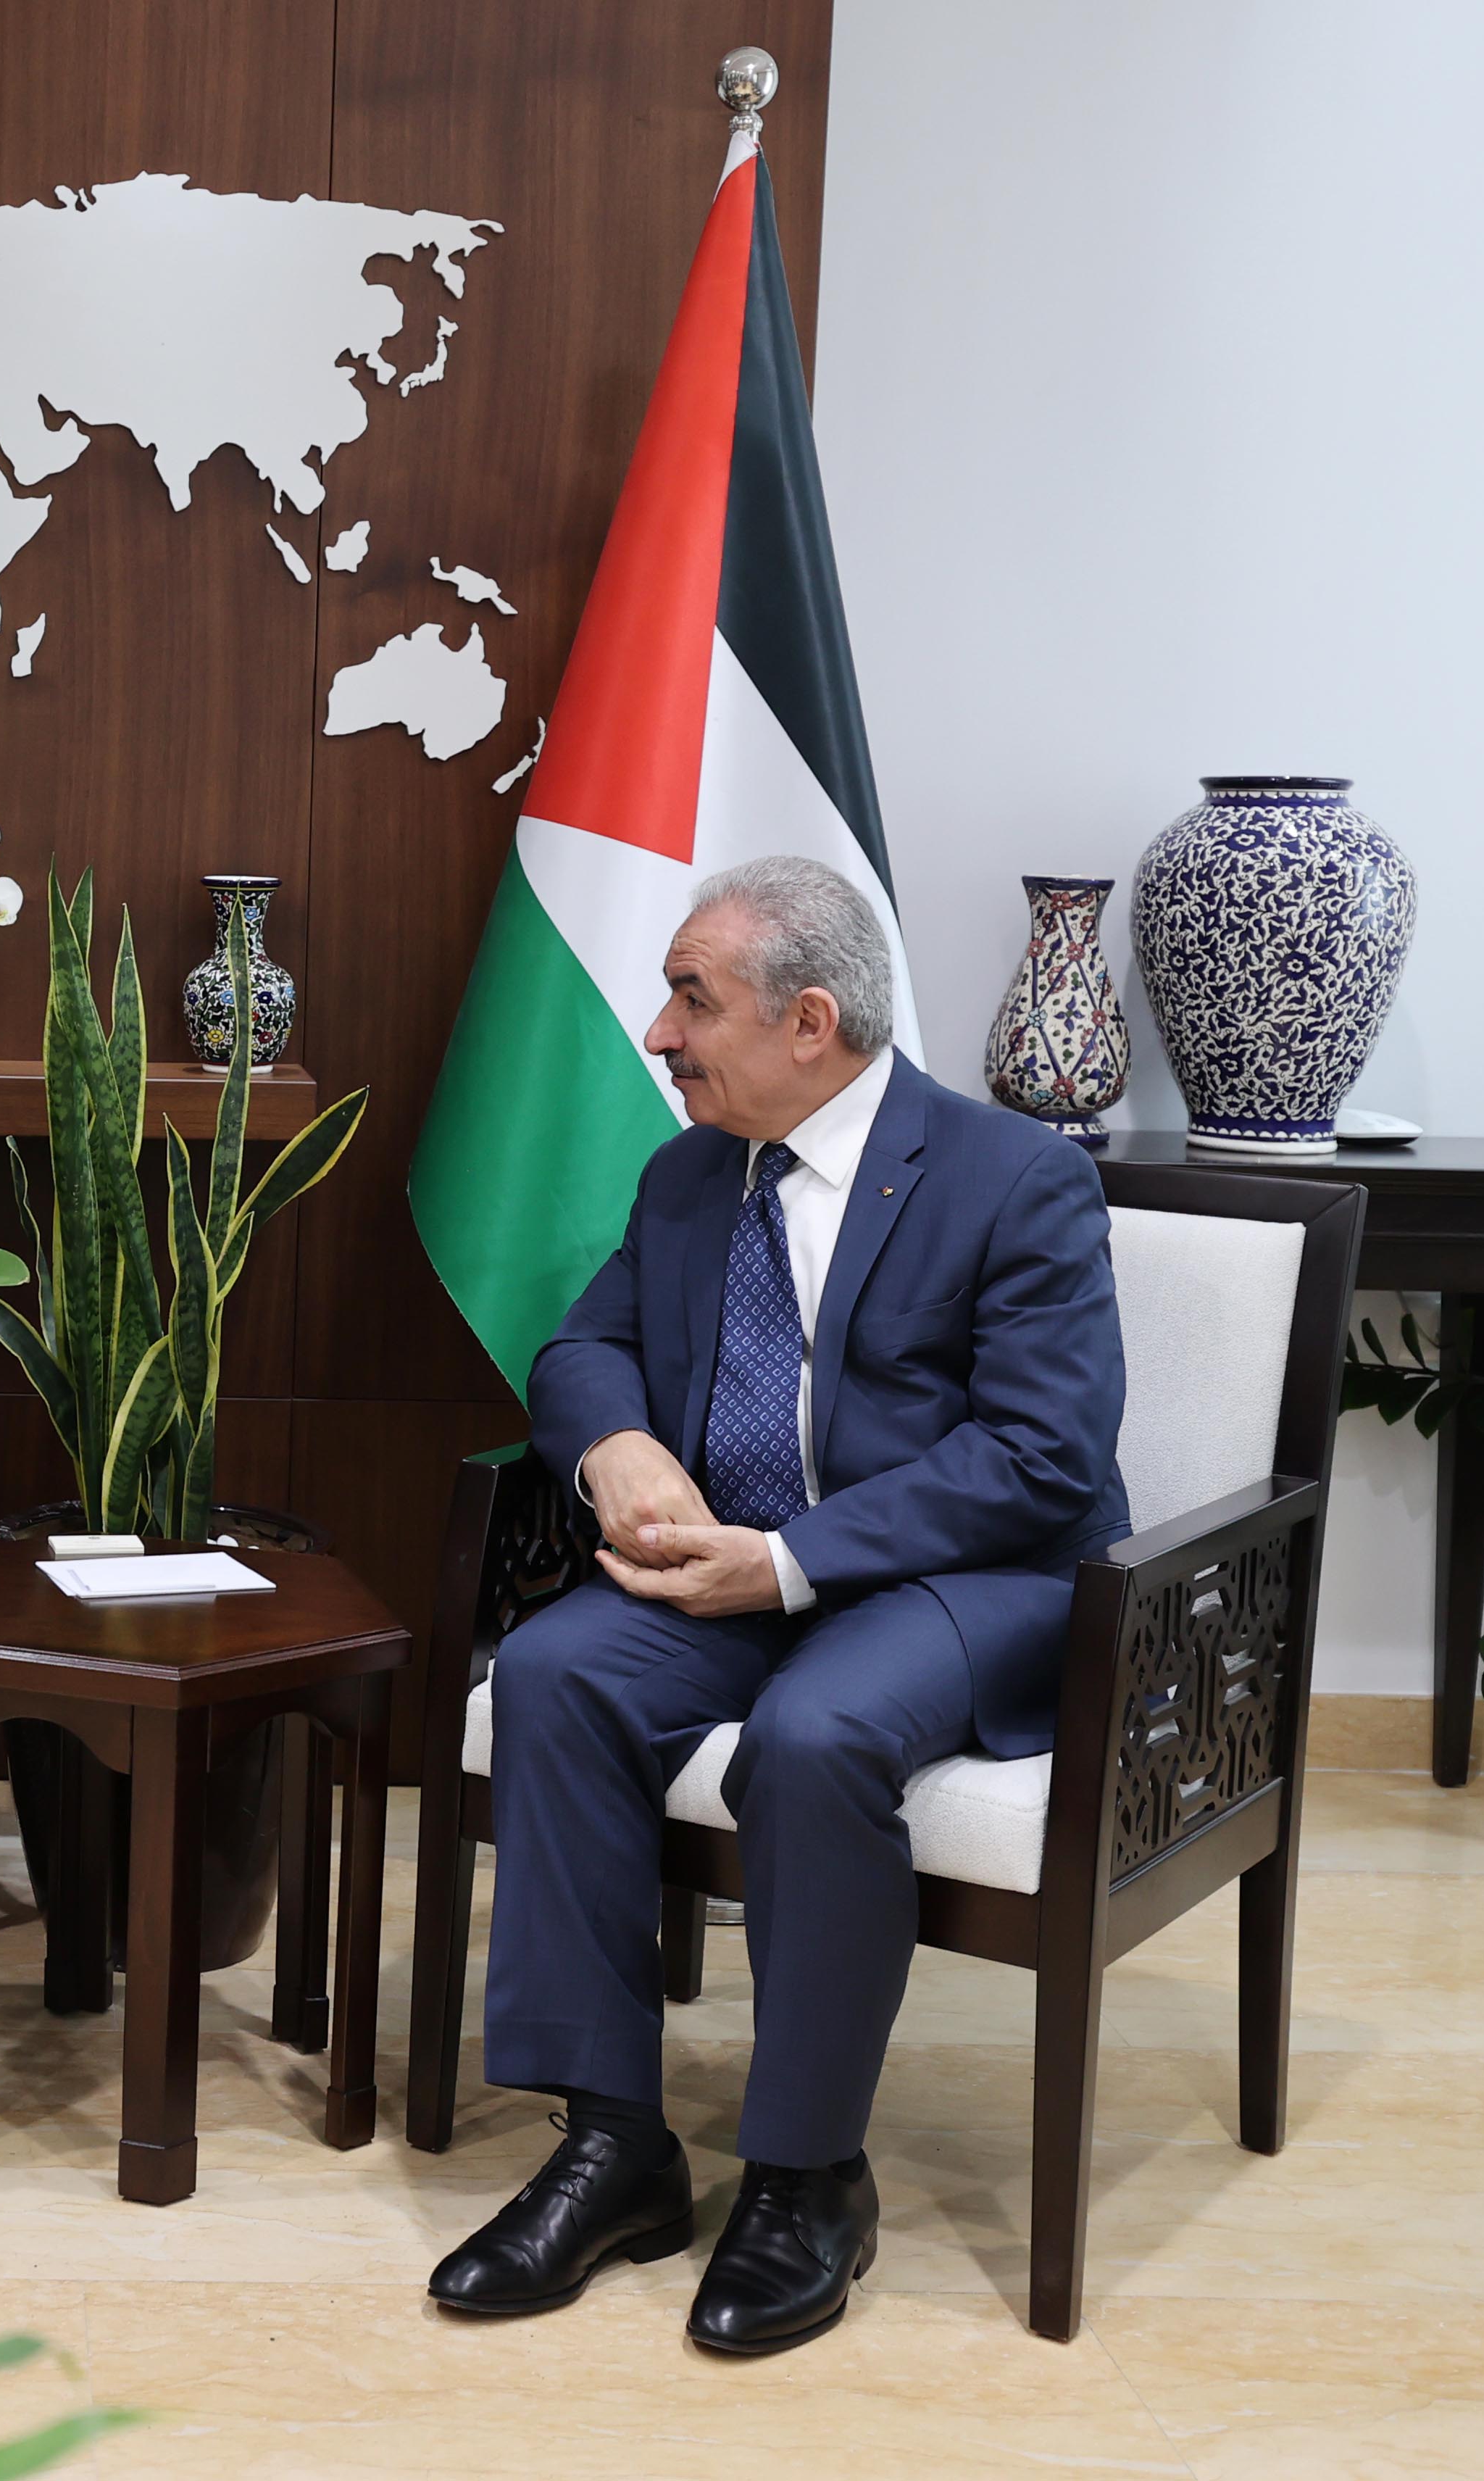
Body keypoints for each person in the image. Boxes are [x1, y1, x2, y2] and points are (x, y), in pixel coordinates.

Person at [426, 854, 1126, 2355]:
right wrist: (614, 1447)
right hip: (737, 1572)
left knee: (813, 1738)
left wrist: (791, 1560)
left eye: (692, 999)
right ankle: (614, 2142)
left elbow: (1042, 1456)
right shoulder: (690, 1172)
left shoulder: (1014, 1177)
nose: (659, 1035)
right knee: (553, 1673)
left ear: (811, 1021)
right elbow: (583, 1349)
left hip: (959, 1578)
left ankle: (809, 2176)